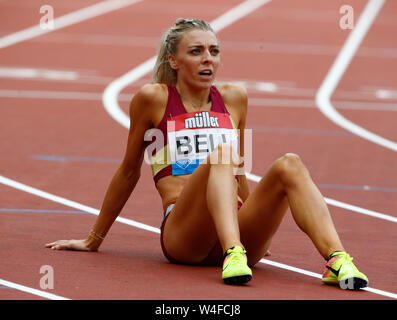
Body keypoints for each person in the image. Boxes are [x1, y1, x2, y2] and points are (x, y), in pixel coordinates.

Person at [46, 18, 368, 289]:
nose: (208, 59)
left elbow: (239, 173)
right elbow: (129, 171)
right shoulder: (153, 99)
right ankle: (233, 252)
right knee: (222, 154)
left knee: (290, 164)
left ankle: (337, 260)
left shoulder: (235, 97)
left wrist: (257, 222)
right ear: (173, 61)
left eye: (214, 52)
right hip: (185, 235)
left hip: (239, 230)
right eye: (196, 52)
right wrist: (94, 239)